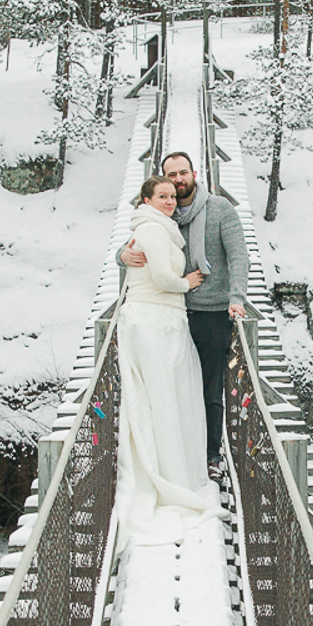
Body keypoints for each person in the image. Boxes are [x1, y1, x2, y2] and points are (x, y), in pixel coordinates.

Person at [119, 150, 245, 477]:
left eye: (183, 173)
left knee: (208, 387)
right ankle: (177, 455)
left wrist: (237, 298)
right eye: (171, 175)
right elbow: (139, 241)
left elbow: (239, 257)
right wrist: (123, 255)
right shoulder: (164, 210)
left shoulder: (220, 209)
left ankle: (210, 456)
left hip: (211, 312)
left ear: (194, 173)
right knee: (174, 389)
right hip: (171, 313)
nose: (178, 181)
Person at [113, 175, 218, 543]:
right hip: (153, 322)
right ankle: (170, 476)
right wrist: (188, 283)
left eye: (173, 196)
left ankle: (175, 473)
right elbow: (160, 276)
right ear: (146, 199)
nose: (170, 201)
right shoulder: (154, 229)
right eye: (162, 195)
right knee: (162, 401)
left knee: (168, 401)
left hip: (163, 321)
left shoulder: (162, 226)